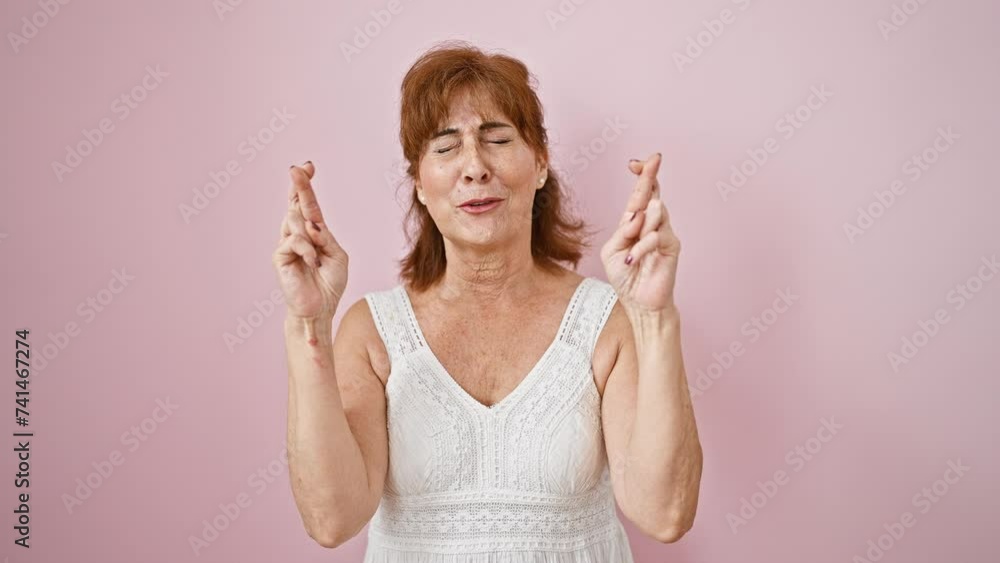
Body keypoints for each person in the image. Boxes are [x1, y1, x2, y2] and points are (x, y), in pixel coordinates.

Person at [273, 41, 703, 562]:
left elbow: (665, 513)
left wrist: (654, 317)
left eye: (497, 138)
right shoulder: (373, 331)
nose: (474, 167)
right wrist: (309, 324)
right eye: (446, 147)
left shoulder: (604, 321)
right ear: (420, 186)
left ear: (540, 164)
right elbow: (331, 519)